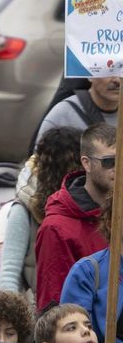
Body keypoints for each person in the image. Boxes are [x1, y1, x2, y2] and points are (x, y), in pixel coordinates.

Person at [34, 122, 115, 310]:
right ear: (86, 163)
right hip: (89, 334)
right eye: (109, 162)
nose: (118, 169)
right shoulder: (56, 228)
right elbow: (55, 309)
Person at [38, 76, 120, 143]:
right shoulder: (62, 115)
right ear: (90, 75)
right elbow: (40, 160)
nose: (117, 80)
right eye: (110, 70)